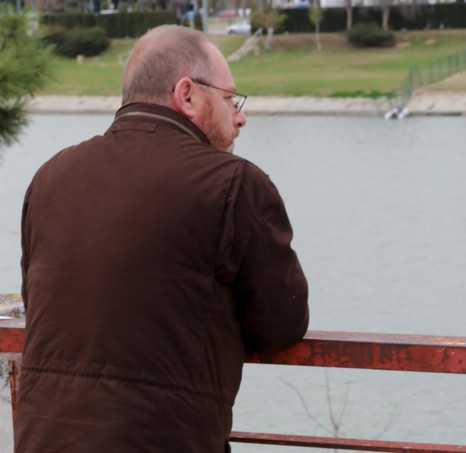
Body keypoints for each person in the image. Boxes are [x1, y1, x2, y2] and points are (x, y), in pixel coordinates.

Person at [16, 25, 309, 453]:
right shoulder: (236, 183)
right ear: (187, 94)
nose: (240, 116)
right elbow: (280, 324)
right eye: (231, 99)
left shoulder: (50, 175)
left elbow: (38, 301)